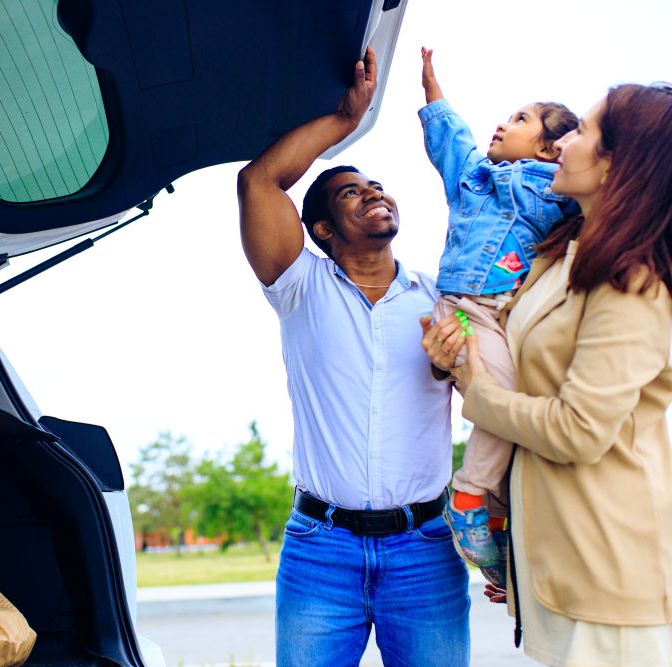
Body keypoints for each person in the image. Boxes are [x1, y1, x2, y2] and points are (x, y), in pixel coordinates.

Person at [422, 82, 672, 667]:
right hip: (556, 564)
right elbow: (516, 371)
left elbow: (577, 429)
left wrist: (479, 396)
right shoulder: (559, 258)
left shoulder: (634, 279)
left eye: (583, 131)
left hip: (607, 574)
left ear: (617, 163)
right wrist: (451, 362)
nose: (565, 143)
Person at [237, 48, 469, 667]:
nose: (371, 191)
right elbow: (258, 181)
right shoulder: (300, 286)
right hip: (320, 551)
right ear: (320, 230)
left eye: (375, 185)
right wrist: (345, 120)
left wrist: (455, 368)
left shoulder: (442, 298)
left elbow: (493, 394)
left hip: (426, 549)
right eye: (348, 192)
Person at [418, 47, 578, 577]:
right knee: (504, 401)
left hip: (506, 317)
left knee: (520, 413)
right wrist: (433, 92)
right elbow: (453, 144)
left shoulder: (561, 190)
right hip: (465, 309)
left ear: (553, 147)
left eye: (520, 118)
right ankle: (468, 498)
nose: (503, 124)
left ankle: (499, 539)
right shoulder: (476, 180)